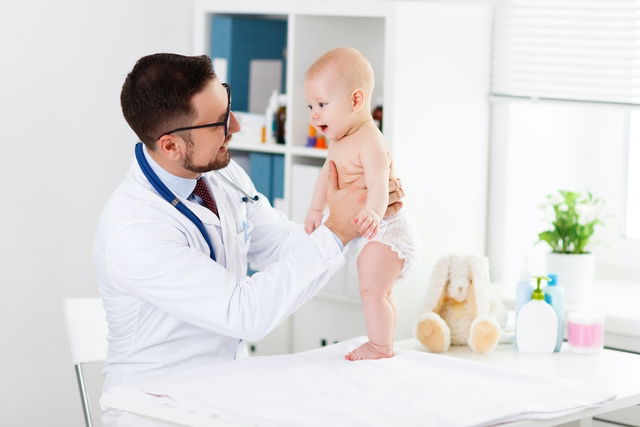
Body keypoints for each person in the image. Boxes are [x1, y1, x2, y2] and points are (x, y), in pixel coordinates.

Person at [94, 53, 404, 425]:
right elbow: (245, 314)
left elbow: (284, 246)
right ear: (171, 146)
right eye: (220, 123)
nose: (237, 126)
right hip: (157, 408)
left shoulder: (222, 175)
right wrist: (337, 229)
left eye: (229, 107)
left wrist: (361, 217)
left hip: (227, 392)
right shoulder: (135, 231)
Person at [303, 48, 420, 361]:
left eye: (323, 105)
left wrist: (372, 211)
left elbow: (382, 185)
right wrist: (316, 209)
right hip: (369, 227)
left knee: (372, 288)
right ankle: (384, 343)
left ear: (356, 100)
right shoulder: (339, 140)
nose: (314, 114)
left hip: (387, 227)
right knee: (376, 288)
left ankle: (381, 346)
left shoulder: (370, 139)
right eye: (311, 106)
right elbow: (326, 176)